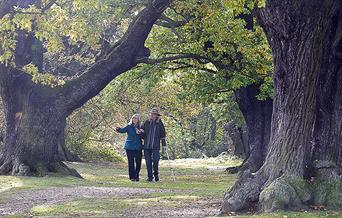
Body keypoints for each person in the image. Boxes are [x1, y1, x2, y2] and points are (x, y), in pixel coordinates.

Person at [139, 108, 167, 182]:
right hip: (147, 146)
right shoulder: (146, 122)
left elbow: (163, 135)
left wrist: (164, 146)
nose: (152, 115)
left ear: (157, 116)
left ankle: (156, 174)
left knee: (155, 160)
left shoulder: (160, 123)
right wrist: (140, 132)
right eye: (151, 114)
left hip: (155, 146)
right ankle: (150, 177)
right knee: (148, 162)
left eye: (154, 114)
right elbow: (142, 135)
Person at [116, 114, 143, 182]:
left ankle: (137, 176)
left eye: (136, 118)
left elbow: (144, 135)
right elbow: (122, 130)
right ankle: (132, 177)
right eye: (133, 118)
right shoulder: (129, 126)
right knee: (131, 162)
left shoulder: (141, 127)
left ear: (138, 120)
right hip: (129, 147)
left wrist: (141, 132)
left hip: (138, 147)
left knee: (138, 162)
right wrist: (118, 128)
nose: (134, 119)